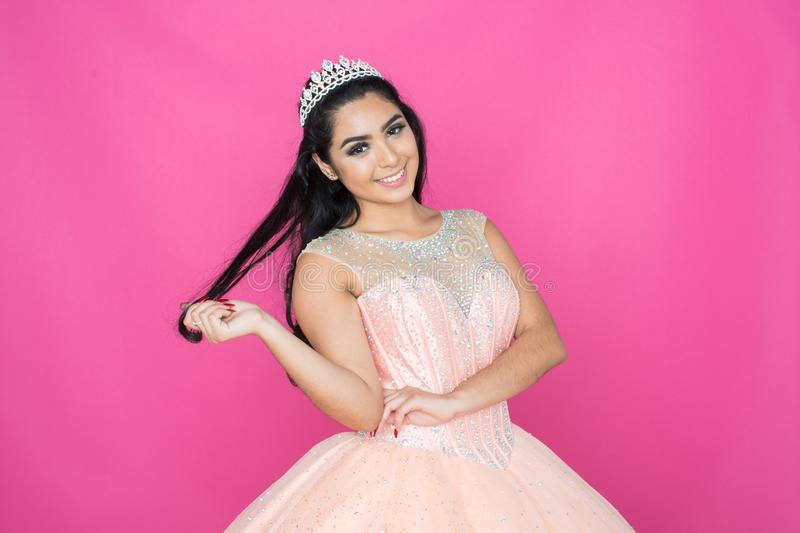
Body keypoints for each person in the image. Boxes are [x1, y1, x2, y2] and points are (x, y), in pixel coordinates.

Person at [179, 55, 636, 532]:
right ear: (326, 166)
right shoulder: (329, 263)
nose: (389, 158)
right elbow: (364, 409)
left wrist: (455, 401)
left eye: (394, 131)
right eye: (359, 148)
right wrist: (265, 328)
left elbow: (546, 341)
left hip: (510, 464)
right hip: (402, 487)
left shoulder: (475, 229)